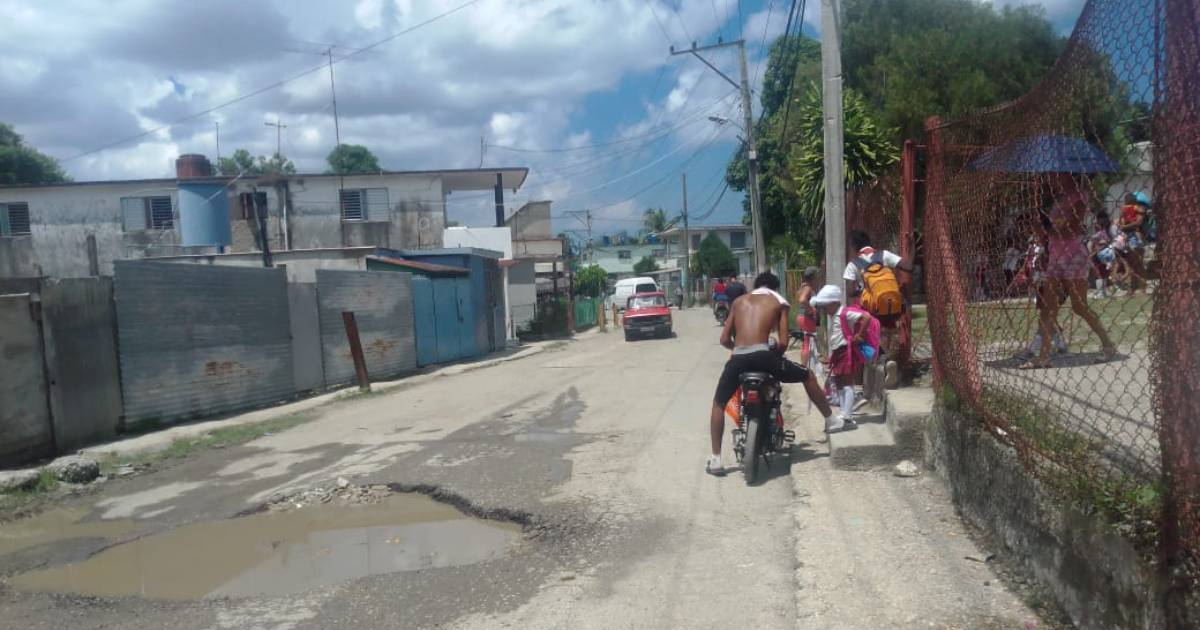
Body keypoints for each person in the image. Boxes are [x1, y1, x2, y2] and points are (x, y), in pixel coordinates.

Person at [707, 271, 835, 476]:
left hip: (738, 359)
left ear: (755, 286)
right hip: (764, 357)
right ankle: (830, 419)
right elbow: (783, 343)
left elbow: (724, 339)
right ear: (775, 288)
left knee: (718, 403)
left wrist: (738, 349)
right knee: (807, 375)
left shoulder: (739, 302)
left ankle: (716, 459)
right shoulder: (778, 301)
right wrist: (772, 352)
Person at [1021, 177, 1116, 369]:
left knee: (1079, 307)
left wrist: (1046, 224)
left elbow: (1069, 227)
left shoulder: (1080, 197)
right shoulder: (1058, 200)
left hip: (1073, 255)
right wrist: (1038, 223)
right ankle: (1043, 357)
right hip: (1056, 256)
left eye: (1058, 175)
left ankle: (1108, 344)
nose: (1054, 179)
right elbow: (1050, 233)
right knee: (1049, 308)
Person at [843, 230, 911, 387]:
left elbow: (851, 291)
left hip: (872, 311)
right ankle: (889, 360)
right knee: (887, 332)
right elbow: (908, 267)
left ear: (853, 246)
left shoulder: (853, 264)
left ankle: (885, 361)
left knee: (860, 338)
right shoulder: (884, 255)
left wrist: (864, 287)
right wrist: (912, 248)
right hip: (895, 309)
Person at [810, 284, 871, 430]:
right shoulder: (834, 315)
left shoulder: (845, 313)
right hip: (837, 352)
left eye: (825, 306)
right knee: (839, 383)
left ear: (834, 303)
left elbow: (866, 316)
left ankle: (847, 415)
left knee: (847, 382)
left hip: (845, 351)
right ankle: (844, 412)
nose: (824, 310)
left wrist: (860, 334)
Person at [1115, 193, 1149, 294]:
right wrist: (1122, 224)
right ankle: (1133, 288)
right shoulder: (1126, 209)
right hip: (1127, 237)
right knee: (1132, 264)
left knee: (1138, 263)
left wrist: (1125, 226)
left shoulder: (1139, 209)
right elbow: (1120, 222)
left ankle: (1142, 287)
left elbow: (1138, 222)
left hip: (1135, 236)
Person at [794, 267, 821, 365]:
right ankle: (806, 367)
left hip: (802, 317)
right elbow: (802, 300)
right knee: (808, 343)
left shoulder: (802, 287)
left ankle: (805, 365)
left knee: (805, 342)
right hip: (807, 318)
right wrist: (812, 310)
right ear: (813, 277)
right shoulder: (808, 288)